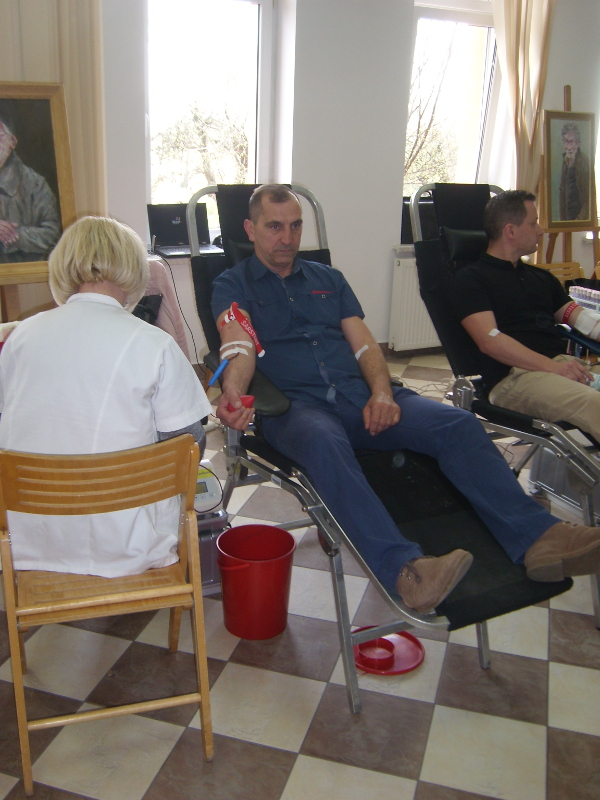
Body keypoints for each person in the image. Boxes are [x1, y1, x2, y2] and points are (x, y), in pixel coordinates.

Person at [211, 184, 600, 612]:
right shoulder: (232, 284)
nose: (287, 238)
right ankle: (405, 571)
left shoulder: (329, 279)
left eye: (295, 226)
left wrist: (382, 393)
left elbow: (365, 345)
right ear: (250, 229)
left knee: (456, 423)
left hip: (361, 398)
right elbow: (238, 344)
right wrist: (233, 392)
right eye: (274, 227)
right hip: (297, 409)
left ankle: (540, 539)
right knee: (324, 441)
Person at [0, 216, 212, 577]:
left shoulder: (20, 338)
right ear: (134, 268)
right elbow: (188, 448)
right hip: (129, 548)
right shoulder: (155, 345)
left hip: (26, 543)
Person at [450, 189, 600, 445]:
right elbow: (490, 340)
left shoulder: (541, 278)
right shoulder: (471, 281)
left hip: (562, 366)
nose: (540, 231)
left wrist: (560, 366)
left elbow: (583, 321)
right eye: (533, 223)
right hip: (514, 378)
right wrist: (553, 367)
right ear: (510, 231)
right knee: (594, 404)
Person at [0, 107, 61, 263]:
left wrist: (15, 235)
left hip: (25, 271)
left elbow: (54, 236)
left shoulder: (35, 184)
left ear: (12, 142)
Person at [558, 122, 590, 221]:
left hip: (579, 220)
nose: (569, 147)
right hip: (567, 220)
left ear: (578, 143)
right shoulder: (565, 161)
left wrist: (579, 219)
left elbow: (588, 197)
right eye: (566, 141)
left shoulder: (583, 162)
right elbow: (562, 192)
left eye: (572, 141)